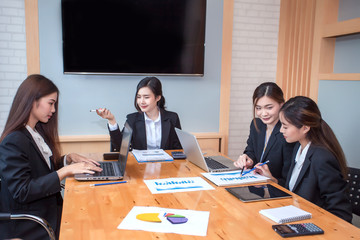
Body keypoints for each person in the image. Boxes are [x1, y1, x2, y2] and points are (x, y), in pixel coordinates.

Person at [0, 74, 102, 240]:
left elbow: (40, 169)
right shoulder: (14, 140)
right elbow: (22, 191)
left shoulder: (34, 132)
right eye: (51, 103)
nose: (53, 110)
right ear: (33, 101)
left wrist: (67, 159)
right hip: (33, 223)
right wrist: (64, 172)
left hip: (48, 209)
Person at [255, 96, 352, 222]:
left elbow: (341, 213)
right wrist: (272, 180)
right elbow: (294, 193)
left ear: (305, 128)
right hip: (297, 219)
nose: (280, 130)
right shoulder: (298, 148)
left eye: (285, 126)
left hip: (316, 226)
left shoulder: (322, 158)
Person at [234, 82, 295, 186]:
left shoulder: (288, 133)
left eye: (269, 107)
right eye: (258, 108)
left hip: (277, 190)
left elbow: (289, 180)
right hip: (257, 188)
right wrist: (248, 159)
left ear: (282, 105)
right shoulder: (256, 124)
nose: (263, 113)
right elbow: (251, 150)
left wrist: (271, 180)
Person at [97, 77, 182, 151]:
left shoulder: (172, 118)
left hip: (167, 166)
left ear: (158, 98)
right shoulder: (132, 119)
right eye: (139, 97)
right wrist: (112, 120)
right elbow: (121, 147)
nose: (141, 101)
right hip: (140, 167)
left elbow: (178, 148)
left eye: (146, 97)